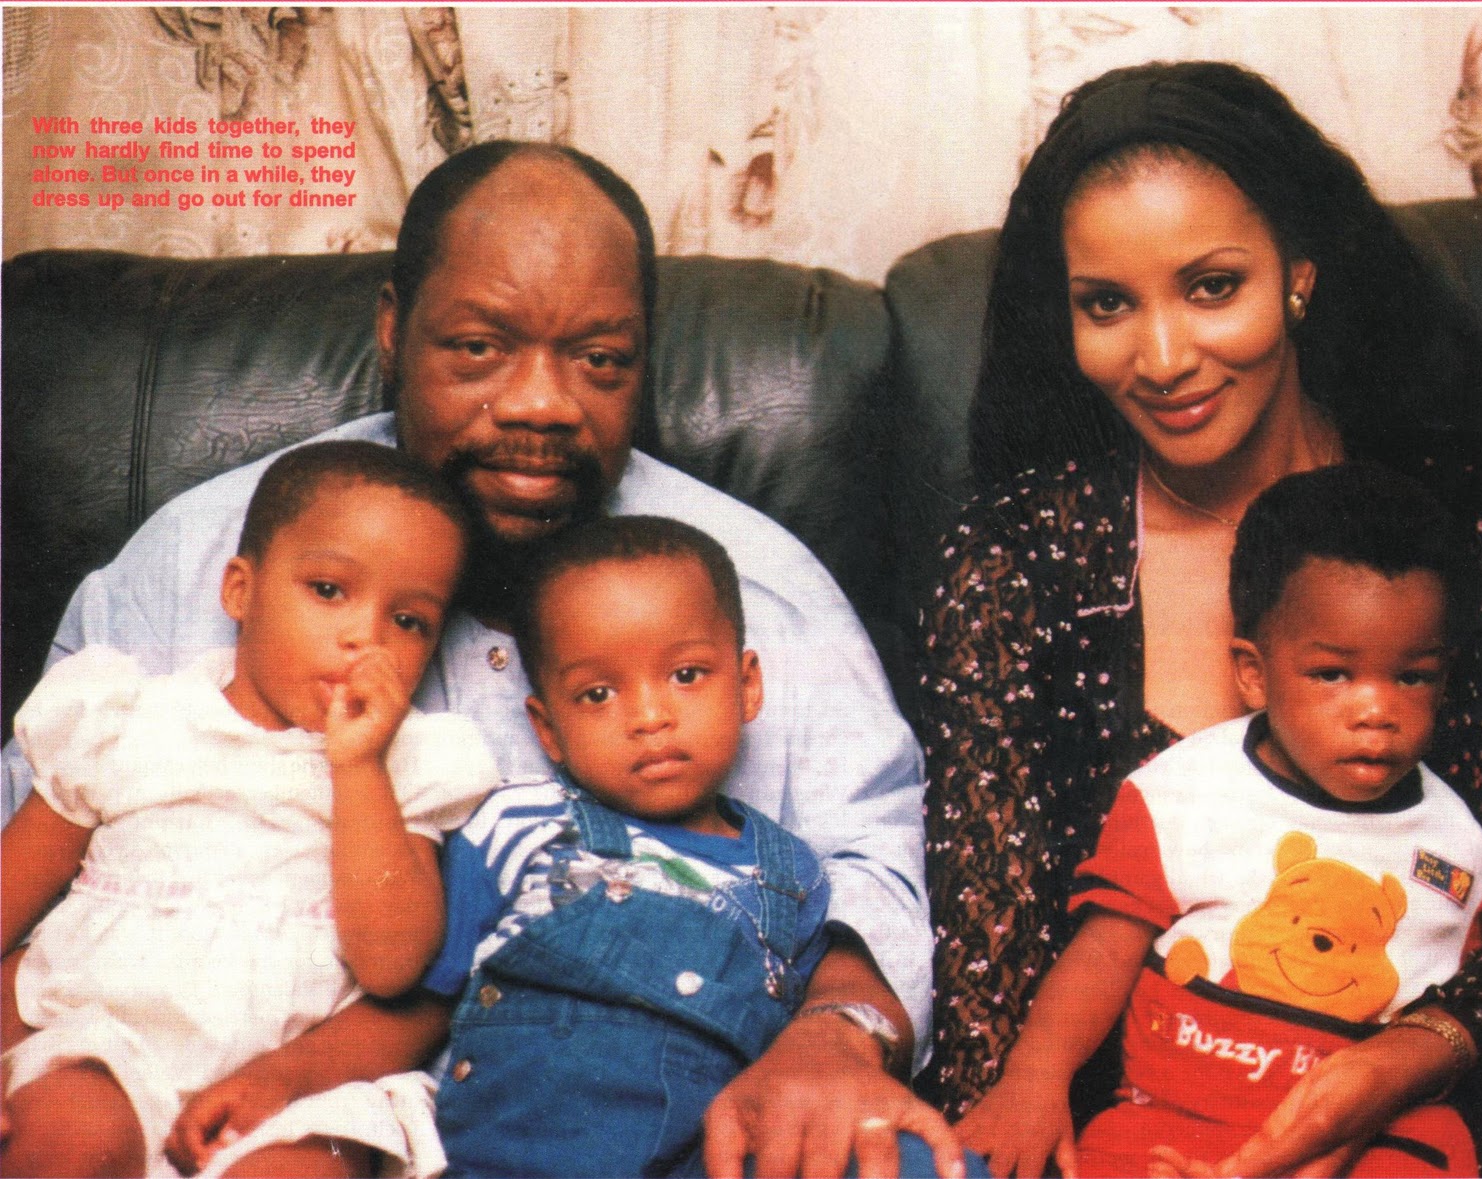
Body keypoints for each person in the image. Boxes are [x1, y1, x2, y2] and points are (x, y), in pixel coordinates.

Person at [3, 140, 951, 1179]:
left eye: (599, 360)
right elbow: (36, 838)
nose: (542, 403)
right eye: (478, 348)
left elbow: (869, 861)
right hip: (170, 1098)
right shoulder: (211, 554)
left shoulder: (746, 589)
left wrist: (834, 1034)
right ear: (393, 329)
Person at [919, 60, 1482, 1177]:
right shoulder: (1016, 558)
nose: (1163, 357)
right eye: (1107, 305)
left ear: (1298, 274)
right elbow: (985, 944)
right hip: (1129, 1130)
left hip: (1427, 1119)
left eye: (1210, 286)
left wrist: (1405, 1059)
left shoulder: (1470, 520)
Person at [958, 464, 1482, 1178]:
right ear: (1254, 671)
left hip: (1366, 1138)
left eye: (1411, 676)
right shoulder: (1183, 790)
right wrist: (1035, 1076)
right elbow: (1103, 953)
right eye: (1333, 674)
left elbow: (1481, 999)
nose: (1376, 709)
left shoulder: (1458, 846)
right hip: (1173, 1116)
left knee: (1436, 1149)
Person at [0, 441, 502, 1178]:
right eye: (330, 590)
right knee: (69, 1133)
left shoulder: (410, 769)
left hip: (292, 1097)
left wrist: (357, 766)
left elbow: (394, 966)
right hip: (102, 1047)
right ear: (241, 590)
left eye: (410, 621)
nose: (366, 636)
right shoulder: (126, 717)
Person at [424, 514, 828, 1176]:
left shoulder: (791, 878)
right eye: (599, 692)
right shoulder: (523, 822)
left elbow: (794, 1067)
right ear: (548, 728)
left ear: (747, 683)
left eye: (688, 674)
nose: (648, 716)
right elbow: (423, 1001)